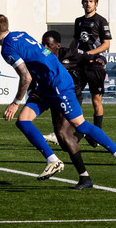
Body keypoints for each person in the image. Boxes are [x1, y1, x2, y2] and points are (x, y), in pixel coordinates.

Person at [0, 14, 116, 184]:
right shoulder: (20, 34)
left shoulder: (7, 49)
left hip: (57, 83)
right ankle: (53, 160)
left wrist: (15, 102)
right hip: (45, 85)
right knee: (23, 121)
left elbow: (25, 77)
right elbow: (37, 60)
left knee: (80, 124)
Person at [40, 30, 94, 189]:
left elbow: (90, 57)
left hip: (71, 96)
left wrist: (100, 60)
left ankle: (85, 177)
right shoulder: (42, 57)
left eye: (48, 45)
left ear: (57, 45)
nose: (45, 47)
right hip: (54, 98)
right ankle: (83, 132)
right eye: (43, 44)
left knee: (62, 132)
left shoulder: (71, 53)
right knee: (64, 143)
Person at [70, 0, 112, 146]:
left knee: (96, 100)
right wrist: (70, 54)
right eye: (86, 1)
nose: (88, 4)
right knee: (74, 97)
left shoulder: (101, 21)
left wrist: (89, 53)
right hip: (80, 64)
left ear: (96, 4)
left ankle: (96, 136)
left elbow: (106, 44)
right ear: (82, 3)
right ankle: (77, 130)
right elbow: (75, 41)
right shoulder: (78, 21)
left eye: (91, 1)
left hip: (95, 64)